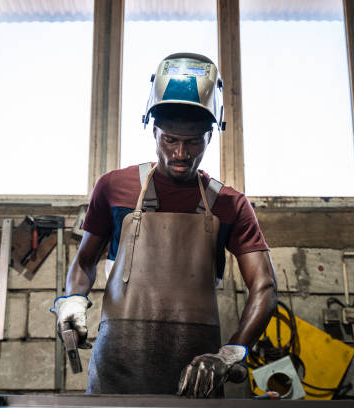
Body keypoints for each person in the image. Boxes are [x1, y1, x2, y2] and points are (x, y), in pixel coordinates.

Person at [51, 53, 277, 398]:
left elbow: (264, 287)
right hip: (116, 371)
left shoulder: (230, 204)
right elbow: (84, 261)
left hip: (196, 377)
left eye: (193, 141)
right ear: (153, 130)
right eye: (169, 139)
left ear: (211, 136)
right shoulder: (113, 187)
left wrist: (231, 352)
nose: (180, 154)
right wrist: (73, 300)